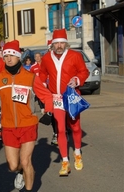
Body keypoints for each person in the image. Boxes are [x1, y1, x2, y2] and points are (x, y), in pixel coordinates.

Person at [0, 40, 53, 192]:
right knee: (13, 165)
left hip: (28, 124)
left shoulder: (30, 77)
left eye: (12, 56)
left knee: (25, 161)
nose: (8, 59)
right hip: (8, 127)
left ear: (19, 57)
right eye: (6, 56)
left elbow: (46, 96)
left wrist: (49, 112)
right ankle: (20, 173)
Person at [39, 29, 89, 176]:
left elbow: (84, 71)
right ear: (53, 45)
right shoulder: (47, 58)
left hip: (72, 96)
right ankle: (65, 161)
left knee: (75, 127)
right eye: (56, 43)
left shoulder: (75, 55)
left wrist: (77, 80)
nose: (59, 46)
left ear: (66, 43)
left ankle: (78, 153)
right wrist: (41, 84)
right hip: (56, 98)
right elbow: (43, 73)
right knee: (60, 129)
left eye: (62, 43)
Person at [30, 52, 58, 146]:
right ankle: (56, 133)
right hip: (42, 90)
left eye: (39, 56)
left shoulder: (49, 63)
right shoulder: (33, 67)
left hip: (56, 90)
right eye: (36, 57)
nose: (37, 58)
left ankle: (64, 130)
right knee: (53, 114)